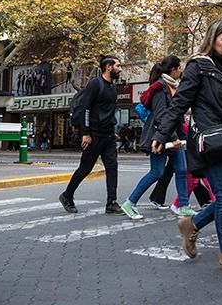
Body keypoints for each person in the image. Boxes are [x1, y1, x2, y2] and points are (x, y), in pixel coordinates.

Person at [152, 19, 222, 274]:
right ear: (212, 39)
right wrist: (162, 133)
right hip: (210, 141)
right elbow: (180, 102)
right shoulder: (198, 66)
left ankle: (191, 224)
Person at [121, 56, 192, 219]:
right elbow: (161, 116)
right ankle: (130, 203)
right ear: (172, 70)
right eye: (179, 68)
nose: (181, 71)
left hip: (172, 137)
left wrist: (182, 136)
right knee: (156, 172)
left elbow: (175, 115)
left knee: (181, 170)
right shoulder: (160, 88)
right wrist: (173, 138)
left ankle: (185, 206)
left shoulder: (173, 86)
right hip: (160, 138)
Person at [59, 56, 124, 215]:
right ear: (108, 67)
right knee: (85, 168)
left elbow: (108, 111)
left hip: (108, 135)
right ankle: (67, 196)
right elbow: (85, 108)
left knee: (112, 168)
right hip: (94, 135)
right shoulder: (96, 84)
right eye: (118, 65)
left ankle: (111, 203)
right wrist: (86, 133)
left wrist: (113, 131)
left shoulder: (113, 88)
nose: (120, 69)